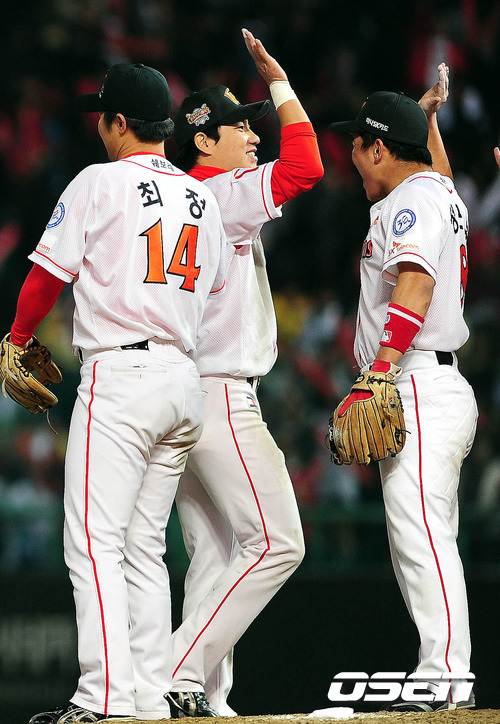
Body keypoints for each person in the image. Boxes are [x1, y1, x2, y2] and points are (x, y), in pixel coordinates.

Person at [8, 62, 226, 723]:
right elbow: (216, 292)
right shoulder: (202, 198)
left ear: (121, 122)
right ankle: (149, 697)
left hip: (123, 377)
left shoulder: (98, 182)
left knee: (94, 542)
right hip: (183, 379)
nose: (99, 127)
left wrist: (17, 338)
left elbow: (46, 277)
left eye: (103, 116)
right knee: (143, 546)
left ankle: (101, 698)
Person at [150, 28, 323, 717]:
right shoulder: (218, 194)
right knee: (278, 542)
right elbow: (306, 165)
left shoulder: (169, 200)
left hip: (178, 390)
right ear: (201, 141)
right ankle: (177, 672)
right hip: (221, 395)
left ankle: (203, 697)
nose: (255, 137)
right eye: (239, 128)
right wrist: (279, 82)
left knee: (216, 555)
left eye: (254, 124)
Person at [328, 64, 478, 712]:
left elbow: (415, 280)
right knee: (422, 535)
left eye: (358, 144)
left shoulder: (411, 201)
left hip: (416, 378)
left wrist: (381, 367)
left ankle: (444, 677)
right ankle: (444, 674)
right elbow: (438, 174)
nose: (353, 157)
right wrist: (429, 122)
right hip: (433, 380)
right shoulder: (437, 189)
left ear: (380, 148)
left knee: (420, 534)